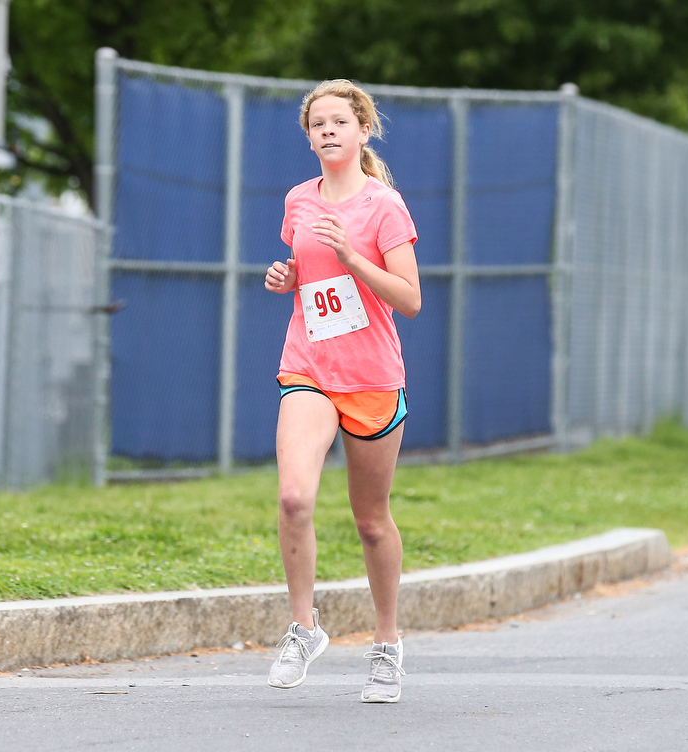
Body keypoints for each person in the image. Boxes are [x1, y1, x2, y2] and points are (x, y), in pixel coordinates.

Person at [263, 79, 421, 701]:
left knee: (372, 521)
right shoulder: (299, 200)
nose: (327, 131)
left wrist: (355, 258)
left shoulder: (385, 206)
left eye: (339, 122)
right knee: (295, 497)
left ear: (362, 132)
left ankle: (387, 645)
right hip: (309, 365)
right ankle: (304, 629)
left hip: (373, 378)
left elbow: (409, 299)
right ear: (309, 136)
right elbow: (308, 272)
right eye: (317, 124)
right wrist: (288, 276)